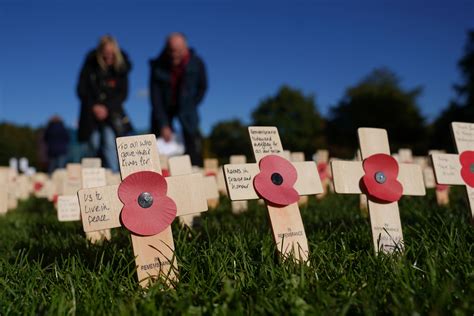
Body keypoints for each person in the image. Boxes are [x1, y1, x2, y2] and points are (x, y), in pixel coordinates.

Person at [149, 32, 208, 166]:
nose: (174, 54)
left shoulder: (197, 62)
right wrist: (163, 124)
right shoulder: (157, 65)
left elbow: (203, 86)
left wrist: (193, 103)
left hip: (187, 108)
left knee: (193, 142)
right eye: (171, 51)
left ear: (185, 48)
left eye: (178, 51)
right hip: (163, 108)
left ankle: (195, 172)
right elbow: (155, 97)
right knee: (156, 145)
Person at [77, 35, 133, 172]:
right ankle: (92, 179)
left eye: (111, 54)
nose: (108, 57)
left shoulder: (121, 69)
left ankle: (113, 176)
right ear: (100, 52)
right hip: (90, 115)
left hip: (112, 115)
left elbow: (123, 94)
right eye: (105, 54)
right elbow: (81, 89)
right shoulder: (90, 66)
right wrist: (94, 107)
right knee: (93, 143)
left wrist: (106, 108)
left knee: (110, 143)